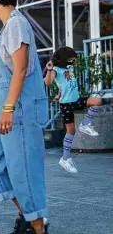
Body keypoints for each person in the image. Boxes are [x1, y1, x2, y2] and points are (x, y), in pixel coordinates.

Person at [0, 0, 49, 234]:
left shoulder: (17, 24)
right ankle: (30, 218)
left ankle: (38, 228)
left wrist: (7, 109)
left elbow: (20, 70)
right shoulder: (9, 27)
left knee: (24, 172)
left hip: (18, 112)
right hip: (8, 113)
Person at [44, 46, 102, 174]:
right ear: (65, 58)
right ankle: (65, 158)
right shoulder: (55, 69)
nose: (73, 61)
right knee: (70, 131)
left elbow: (64, 83)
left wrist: (59, 93)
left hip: (76, 99)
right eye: (71, 59)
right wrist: (48, 70)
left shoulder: (69, 68)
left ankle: (85, 124)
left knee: (97, 101)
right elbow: (48, 82)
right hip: (66, 104)